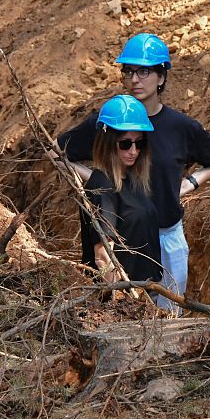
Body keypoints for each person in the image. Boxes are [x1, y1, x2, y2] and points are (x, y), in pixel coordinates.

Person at [57, 33, 210, 307]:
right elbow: (57, 152)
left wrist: (192, 183)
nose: (135, 79)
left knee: (169, 318)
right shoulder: (109, 120)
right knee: (127, 313)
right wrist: (99, 180)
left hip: (166, 235)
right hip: (122, 241)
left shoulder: (180, 127)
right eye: (129, 71)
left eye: (144, 71)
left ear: (161, 77)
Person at [79, 95, 164, 286]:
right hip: (127, 295)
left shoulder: (134, 180)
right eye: (125, 143)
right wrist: (120, 299)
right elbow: (102, 254)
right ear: (108, 142)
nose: (133, 151)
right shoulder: (102, 185)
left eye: (139, 143)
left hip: (148, 288)